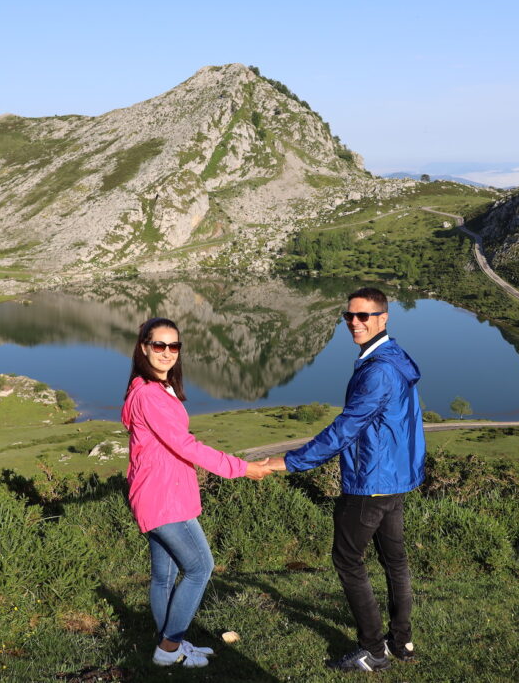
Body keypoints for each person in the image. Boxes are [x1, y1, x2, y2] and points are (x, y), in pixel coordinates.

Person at [268, 287, 424, 672]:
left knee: (348, 560)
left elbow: (345, 429)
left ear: (383, 318)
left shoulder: (379, 370)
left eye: (363, 316)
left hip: (371, 479)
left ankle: (373, 649)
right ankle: (401, 640)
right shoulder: (392, 356)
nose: (354, 323)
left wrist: (291, 462)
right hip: (395, 477)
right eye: (348, 316)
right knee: (395, 560)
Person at [121, 317, 273, 669]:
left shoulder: (150, 388)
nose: (167, 353)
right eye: (159, 345)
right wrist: (242, 468)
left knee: (165, 576)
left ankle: (167, 649)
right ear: (144, 347)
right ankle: (170, 646)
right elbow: (185, 445)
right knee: (200, 567)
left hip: (154, 493)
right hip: (165, 498)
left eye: (174, 346)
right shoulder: (149, 394)